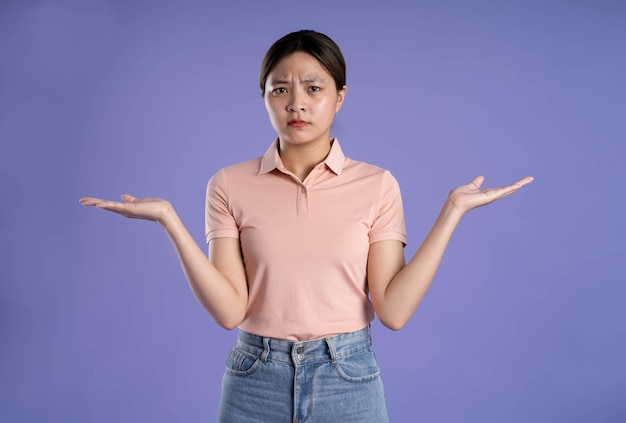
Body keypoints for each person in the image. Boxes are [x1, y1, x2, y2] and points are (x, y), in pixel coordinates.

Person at [80, 30, 533, 422]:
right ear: (264, 98)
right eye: (280, 89)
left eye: (313, 88)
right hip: (254, 378)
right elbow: (228, 312)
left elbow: (393, 310)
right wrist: (169, 221)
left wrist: (451, 211)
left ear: (340, 96)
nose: (296, 103)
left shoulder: (377, 184)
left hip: (348, 377)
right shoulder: (228, 184)